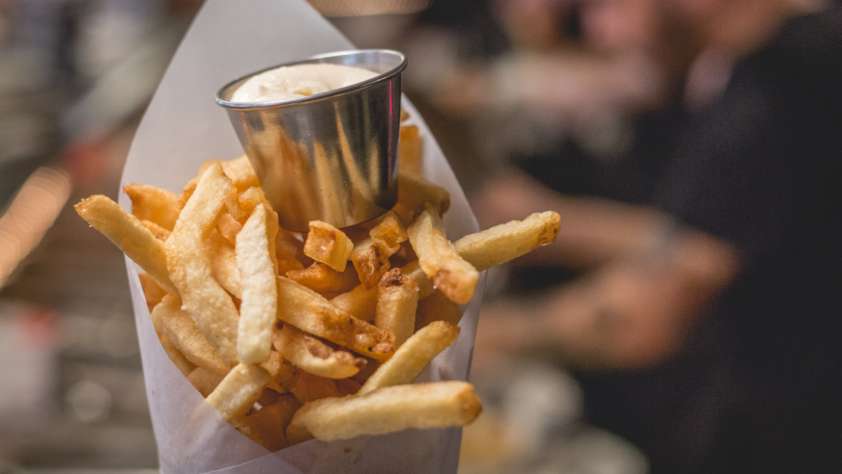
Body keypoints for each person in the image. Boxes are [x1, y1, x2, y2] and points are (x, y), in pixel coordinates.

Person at [475, 0, 842, 472]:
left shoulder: (779, 87)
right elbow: (701, 232)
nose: (600, 31)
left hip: (776, 430)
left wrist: (481, 334)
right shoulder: (763, 56)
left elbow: (654, 306)